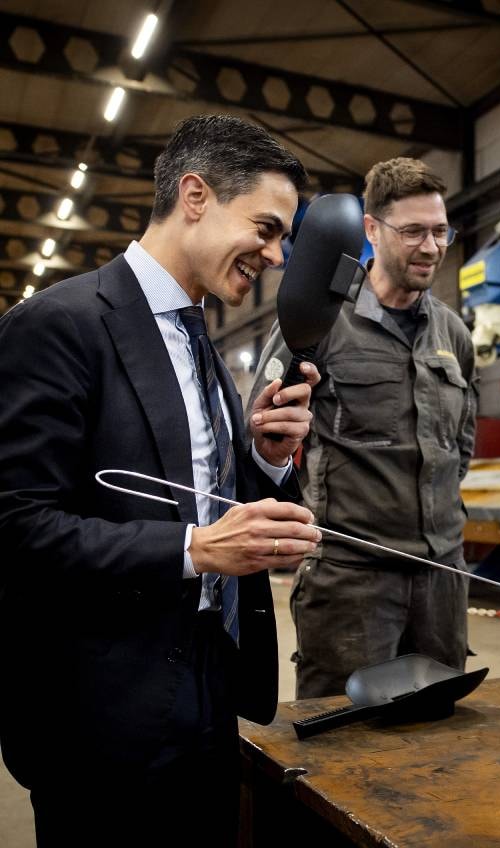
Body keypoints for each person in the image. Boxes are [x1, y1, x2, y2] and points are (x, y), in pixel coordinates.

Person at [0, 114, 322, 846]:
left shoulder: (195, 336)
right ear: (197, 194)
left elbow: (199, 493)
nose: (275, 256)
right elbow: (15, 526)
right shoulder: (59, 324)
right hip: (101, 712)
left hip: (208, 688)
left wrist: (264, 459)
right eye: (267, 229)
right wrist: (194, 551)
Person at [250, 156, 477, 699]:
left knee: (442, 741)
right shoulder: (319, 320)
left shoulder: (453, 334)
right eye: (414, 231)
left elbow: (460, 448)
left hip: (443, 580)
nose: (431, 247)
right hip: (351, 583)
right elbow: (261, 430)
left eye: (441, 231)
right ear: (371, 230)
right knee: (339, 740)